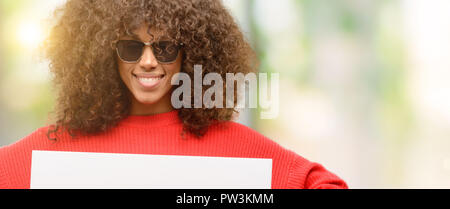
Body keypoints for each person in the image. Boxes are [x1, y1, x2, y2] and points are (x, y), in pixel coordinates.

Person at [0, 0, 347, 189]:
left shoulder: (238, 150)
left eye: (165, 48)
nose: (148, 62)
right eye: (131, 47)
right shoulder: (57, 150)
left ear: (191, 53)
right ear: (104, 53)